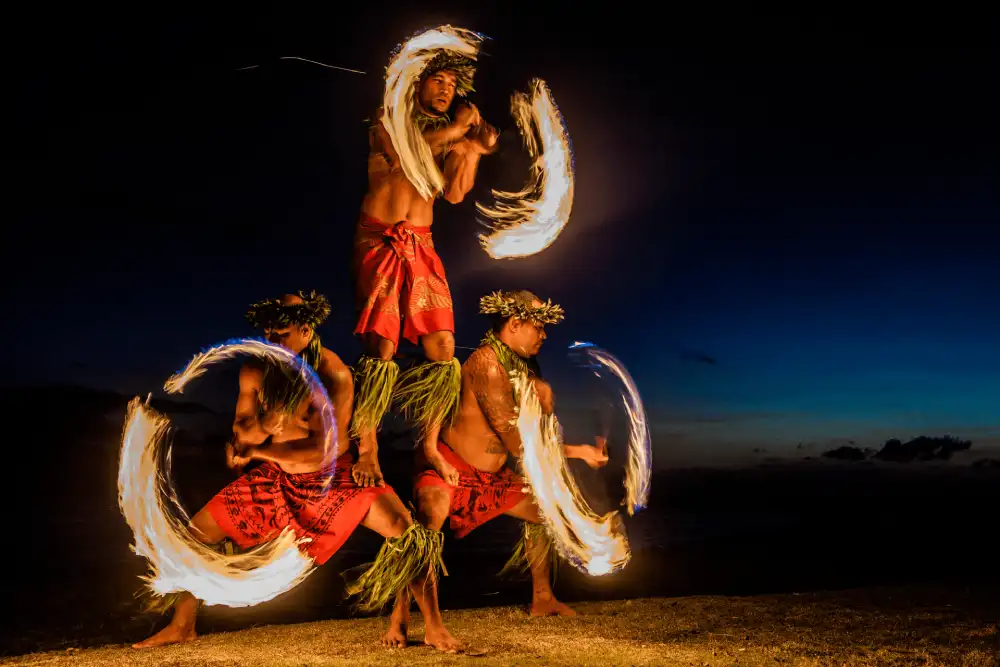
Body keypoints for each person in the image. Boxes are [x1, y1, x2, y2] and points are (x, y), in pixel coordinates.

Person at [133, 291, 455, 650]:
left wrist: (259, 447)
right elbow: (241, 427)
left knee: (408, 535)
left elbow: (320, 452)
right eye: (268, 333)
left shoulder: (333, 374)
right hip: (279, 477)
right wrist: (263, 426)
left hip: (334, 479)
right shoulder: (256, 370)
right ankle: (182, 625)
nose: (272, 341)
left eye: (281, 334)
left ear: (306, 330)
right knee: (196, 533)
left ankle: (433, 626)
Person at [381, 289, 609, 651]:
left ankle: (542, 598)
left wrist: (545, 403)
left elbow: (531, 431)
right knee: (424, 531)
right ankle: (416, 620)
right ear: (515, 324)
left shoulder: (523, 367)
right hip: (450, 468)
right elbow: (517, 441)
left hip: (490, 478)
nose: (545, 335)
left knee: (541, 513)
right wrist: (577, 451)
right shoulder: (488, 364)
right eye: (539, 326)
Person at [351, 49, 500, 490]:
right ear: (416, 82)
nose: (446, 91)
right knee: (382, 348)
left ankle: (429, 445)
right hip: (380, 241)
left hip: (424, 246)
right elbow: (407, 154)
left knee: (443, 348)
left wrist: (472, 149)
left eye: (453, 85)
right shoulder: (388, 119)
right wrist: (458, 129)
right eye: (439, 81)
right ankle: (368, 448)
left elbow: (453, 193)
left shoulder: (447, 136)